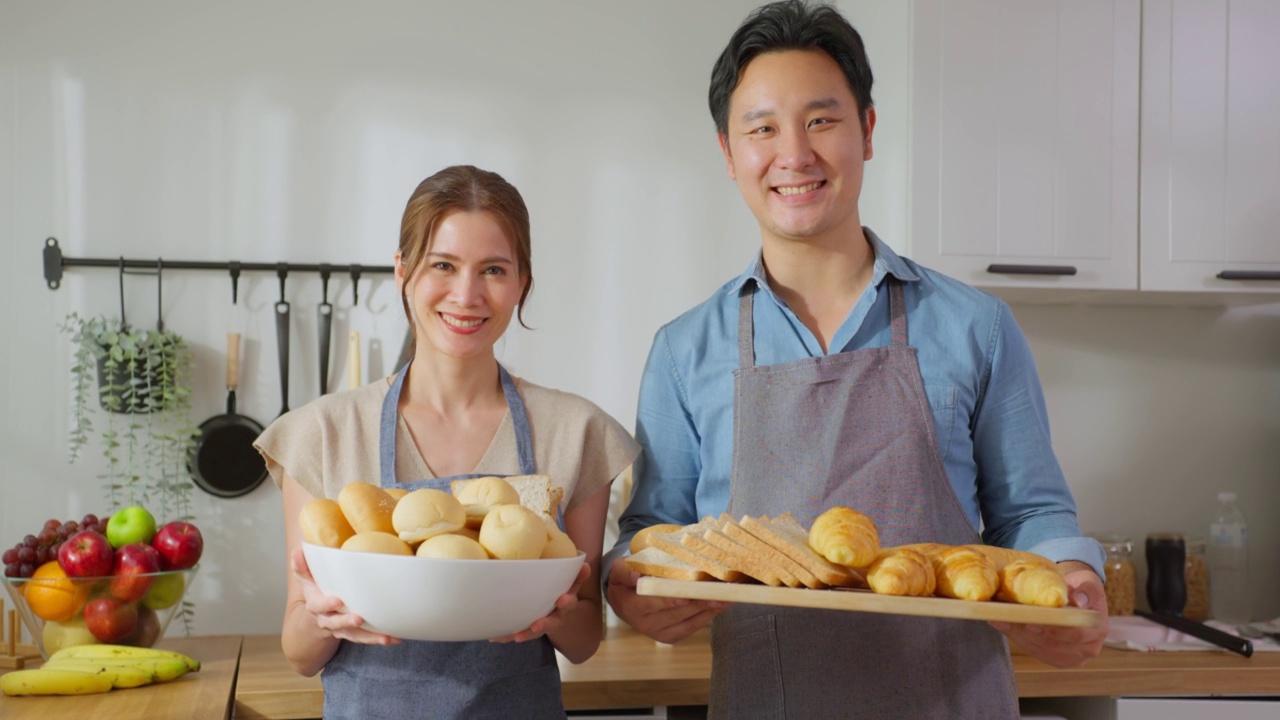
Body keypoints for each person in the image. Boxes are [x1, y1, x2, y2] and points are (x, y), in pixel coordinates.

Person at [604, 2, 1109, 717]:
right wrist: (626, 584)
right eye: (763, 129)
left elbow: (1031, 512)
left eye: (821, 120)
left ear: (867, 131)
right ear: (728, 153)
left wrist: (1071, 576)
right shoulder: (685, 351)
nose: (794, 154)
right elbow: (652, 533)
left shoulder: (976, 327)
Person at [257, 165, 640, 720]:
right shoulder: (321, 433)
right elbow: (298, 652)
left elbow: (583, 640)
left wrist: (555, 613)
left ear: (522, 283)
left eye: (493, 269)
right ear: (403, 272)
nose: (466, 294)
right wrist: (319, 620)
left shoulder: (575, 431)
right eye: (443, 265)